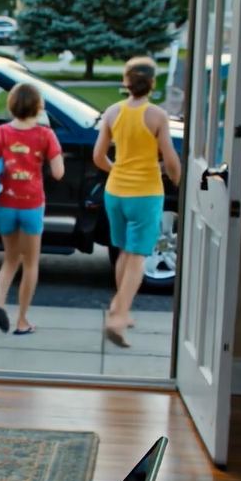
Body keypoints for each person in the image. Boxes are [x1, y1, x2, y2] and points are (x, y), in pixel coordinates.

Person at [93, 56, 182, 347]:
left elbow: (99, 156)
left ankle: (121, 308)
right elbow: (170, 159)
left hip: (115, 192)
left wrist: (117, 169)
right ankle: (118, 320)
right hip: (145, 193)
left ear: (127, 82)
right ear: (152, 84)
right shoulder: (156, 115)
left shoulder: (112, 112)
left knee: (123, 252)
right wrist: (177, 180)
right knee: (138, 255)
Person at [0, 83, 64, 335]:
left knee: (9, 259)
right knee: (30, 263)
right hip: (31, 205)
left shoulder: (0, 132)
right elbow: (59, 173)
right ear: (39, 107)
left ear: (11, 105)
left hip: (6, 204)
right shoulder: (46, 134)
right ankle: (22, 320)